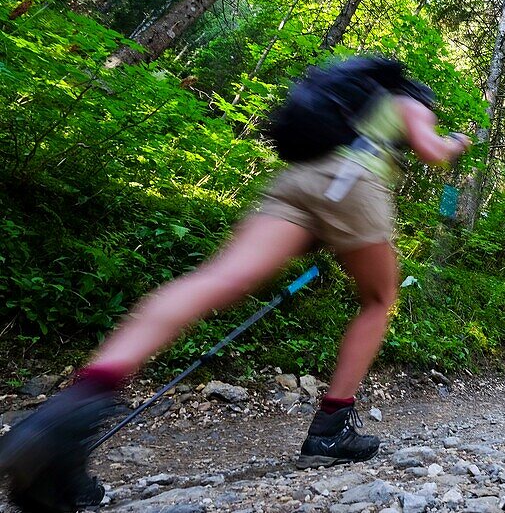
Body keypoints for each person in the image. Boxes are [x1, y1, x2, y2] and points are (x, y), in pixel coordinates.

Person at [0, 58, 472, 512]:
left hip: (298, 180)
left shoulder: (355, 102)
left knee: (219, 277)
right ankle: (331, 428)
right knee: (379, 300)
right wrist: (454, 141)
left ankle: (74, 406)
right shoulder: (408, 100)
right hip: (354, 182)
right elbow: (432, 151)